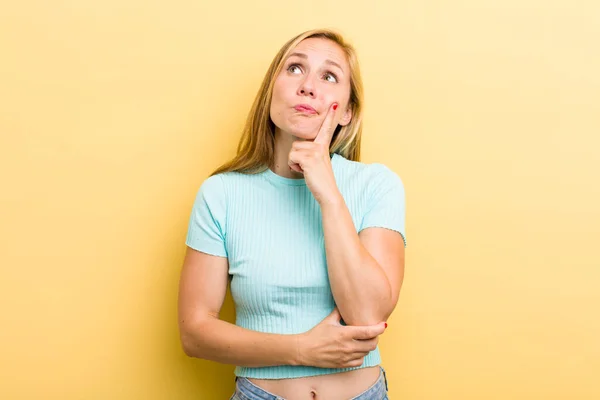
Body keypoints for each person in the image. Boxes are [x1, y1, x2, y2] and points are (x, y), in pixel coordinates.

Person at [177, 28, 407, 400]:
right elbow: (194, 332)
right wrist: (302, 349)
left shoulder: (377, 185)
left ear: (347, 111)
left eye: (329, 76)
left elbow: (368, 316)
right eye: (295, 69)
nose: (308, 86)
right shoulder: (221, 194)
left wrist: (328, 193)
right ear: (272, 91)